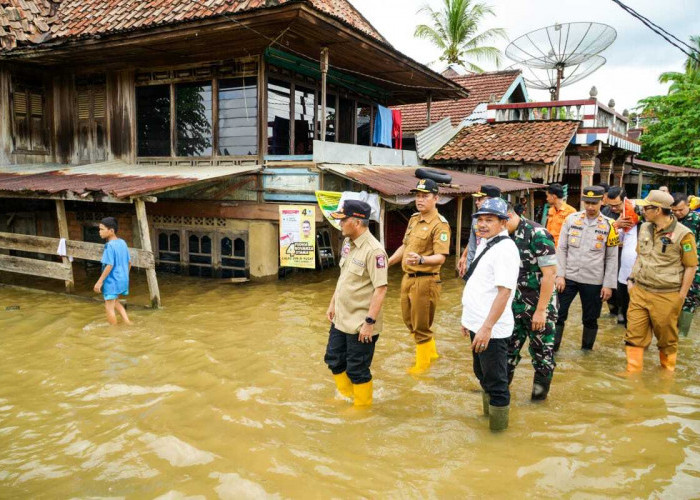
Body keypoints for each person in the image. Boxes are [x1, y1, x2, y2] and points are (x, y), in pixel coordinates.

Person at [461, 198, 520, 431]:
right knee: (482, 375)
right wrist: (468, 320)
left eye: (489, 220)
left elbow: (504, 292)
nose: (482, 225)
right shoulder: (487, 243)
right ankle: (489, 420)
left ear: (503, 223)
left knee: (496, 383)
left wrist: (486, 328)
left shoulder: (505, 249)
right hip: (478, 323)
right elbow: (478, 284)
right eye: (480, 220)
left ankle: (497, 436)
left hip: (492, 329)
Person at [624, 190, 698, 373]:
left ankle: (667, 374)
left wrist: (680, 297)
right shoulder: (644, 228)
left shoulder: (684, 234)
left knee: (666, 339)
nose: (642, 211)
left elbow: (691, 266)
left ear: (657, 210)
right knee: (634, 334)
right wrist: (631, 281)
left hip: (667, 294)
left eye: (645, 208)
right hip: (640, 290)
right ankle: (632, 373)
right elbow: (639, 256)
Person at [325, 200, 388, 407]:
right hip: (341, 317)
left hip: (361, 323)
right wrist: (333, 303)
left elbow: (381, 289)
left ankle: (362, 408)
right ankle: (346, 396)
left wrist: (369, 322)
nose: (340, 224)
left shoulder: (375, 251)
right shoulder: (348, 244)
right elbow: (344, 277)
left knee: (357, 369)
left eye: (343, 220)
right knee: (333, 359)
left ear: (357, 222)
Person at [388, 178, 450, 374]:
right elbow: (405, 246)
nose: (420, 200)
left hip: (425, 281)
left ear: (436, 198)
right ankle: (431, 356)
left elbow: (441, 257)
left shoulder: (440, 225)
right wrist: (388, 263)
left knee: (421, 326)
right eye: (418, 195)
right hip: (407, 278)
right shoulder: (414, 219)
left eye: (425, 196)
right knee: (409, 322)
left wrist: (422, 260)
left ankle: (422, 370)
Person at [554, 186, 619, 351]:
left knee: (590, 319)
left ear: (602, 202)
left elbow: (612, 257)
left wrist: (608, 285)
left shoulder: (609, 225)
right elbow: (561, 249)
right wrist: (559, 275)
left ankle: (586, 351)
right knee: (557, 314)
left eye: (594, 203)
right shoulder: (571, 220)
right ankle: (552, 349)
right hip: (568, 277)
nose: (590, 207)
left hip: (594, 280)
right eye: (587, 203)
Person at [505, 204, 558, 401]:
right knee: (506, 354)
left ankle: (538, 402)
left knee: (542, 357)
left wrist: (541, 311)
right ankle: (500, 396)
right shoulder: (502, 236)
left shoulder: (538, 234)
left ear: (510, 216)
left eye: (502, 222)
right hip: (512, 307)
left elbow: (550, 274)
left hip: (540, 306)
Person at [93, 217, 132, 326]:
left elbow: (109, 265)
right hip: (122, 279)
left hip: (112, 281)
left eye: (102, 229)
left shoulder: (109, 246)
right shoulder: (122, 242)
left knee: (109, 307)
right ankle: (128, 322)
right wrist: (125, 276)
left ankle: (113, 331)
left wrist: (99, 281)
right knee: (115, 301)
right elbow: (129, 263)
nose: (99, 232)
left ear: (111, 231)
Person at [671, 193, 700, 336]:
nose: (677, 213)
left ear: (688, 205)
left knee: (689, 300)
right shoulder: (669, 220)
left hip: (695, 266)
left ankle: (682, 335)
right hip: (674, 266)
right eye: (674, 210)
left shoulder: (697, 219)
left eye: (680, 210)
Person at [458, 185, 502, 274]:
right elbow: (472, 240)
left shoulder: (501, 222)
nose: (476, 202)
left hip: (489, 270)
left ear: (491, 201)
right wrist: (464, 256)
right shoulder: (475, 219)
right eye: (476, 199)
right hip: (472, 266)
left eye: (480, 199)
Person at [613, 195, 640, 326]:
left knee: (637, 311)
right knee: (624, 304)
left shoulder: (647, 227)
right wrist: (616, 225)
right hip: (624, 274)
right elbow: (614, 240)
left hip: (640, 276)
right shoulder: (626, 227)